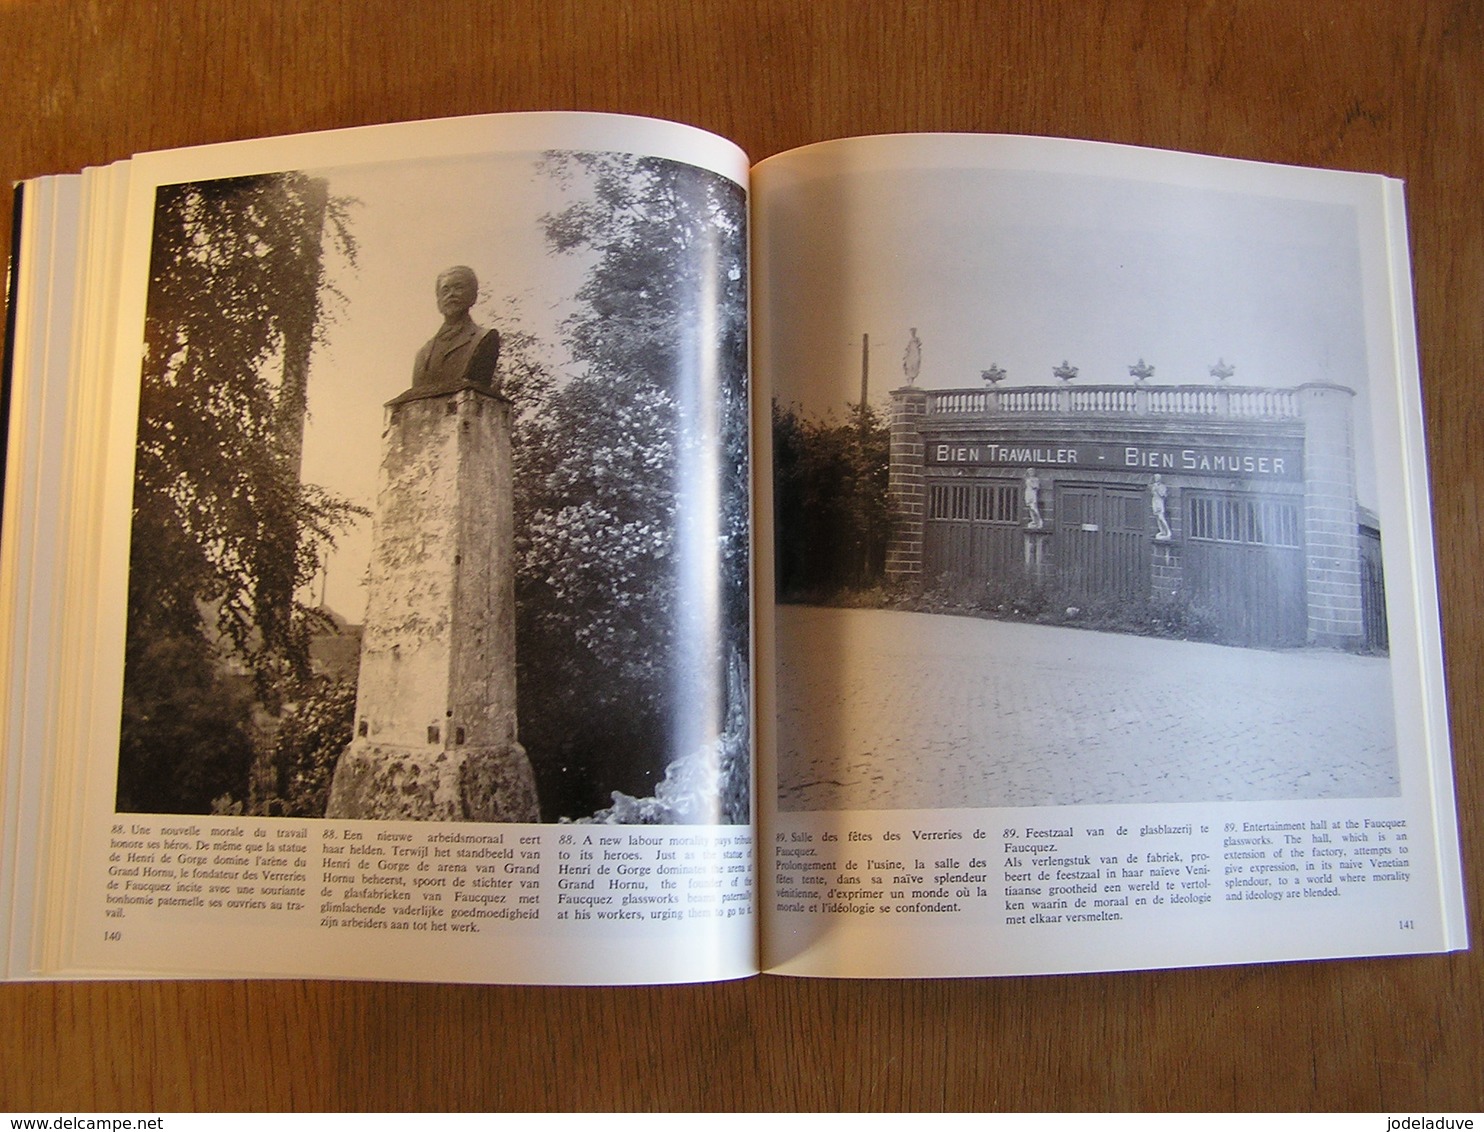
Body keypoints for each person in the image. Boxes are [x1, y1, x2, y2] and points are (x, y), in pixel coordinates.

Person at [410, 265, 501, 393]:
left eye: (458, 288)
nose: (451, 294)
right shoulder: (423, 354)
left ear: (473, 296)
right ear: (438, 300)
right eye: (445, 290)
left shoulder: (484, 338)